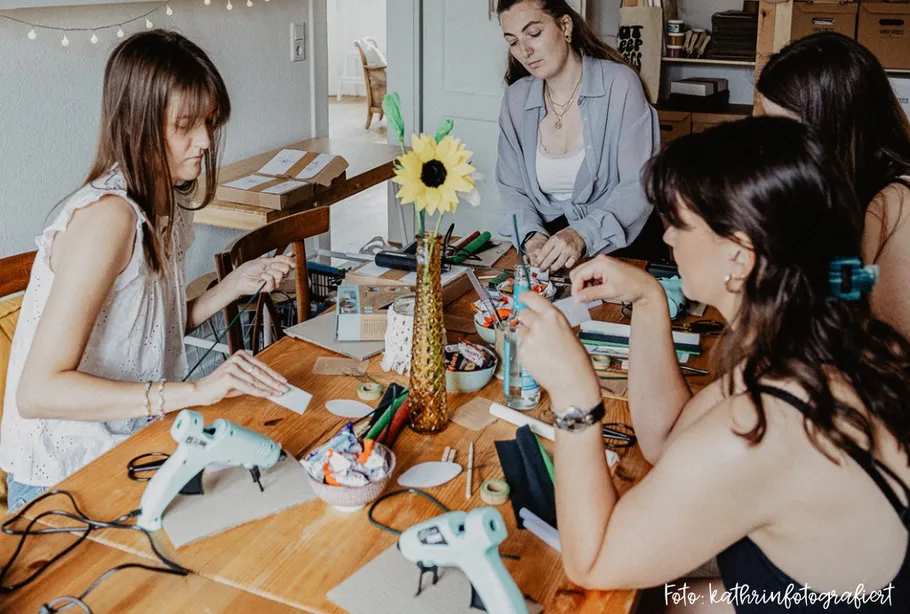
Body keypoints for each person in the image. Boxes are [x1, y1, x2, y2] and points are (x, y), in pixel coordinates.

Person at [517, 117, 910, 612]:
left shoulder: (766, 423)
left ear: (740, 255)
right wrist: (647, 299)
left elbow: (592, 562)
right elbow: (669, 439)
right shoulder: (815, 342)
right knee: (662, 595)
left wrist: (576, 402)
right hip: (800, 593)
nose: (667, 240)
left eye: (680, 224)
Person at [1, 31, 294, 514]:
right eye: (185, 125)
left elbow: (150, 334)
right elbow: (38, 392)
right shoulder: (107, 218)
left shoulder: (167, 200)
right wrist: (196, 391)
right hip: (65, 479)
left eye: (208, 122)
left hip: (132, 450)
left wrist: (231, 288)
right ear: (138, 125)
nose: (204, 140)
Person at [757, 32, 910, 339]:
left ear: (831, 123)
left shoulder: (894, 199)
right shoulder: (846, 183)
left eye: (788, 128)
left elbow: (891, 340)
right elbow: (855, 284)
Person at [496, 0, 665, 273]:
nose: (525, 51)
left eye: (534, 34)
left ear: (565, 26)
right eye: (513, 41)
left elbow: (640, 183)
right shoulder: (515, 100)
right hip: (551, 255)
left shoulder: (620, 85)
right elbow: (512, 188)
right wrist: (531, 236)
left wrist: (581, 235)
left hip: (625, 247)